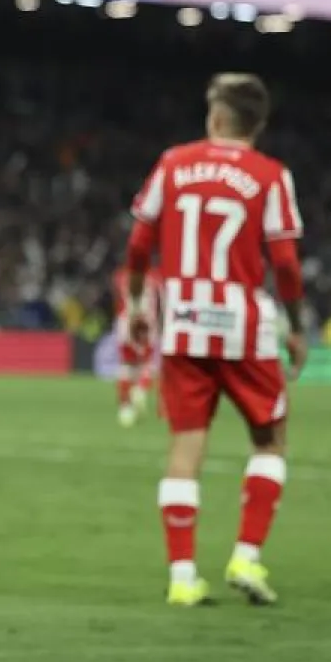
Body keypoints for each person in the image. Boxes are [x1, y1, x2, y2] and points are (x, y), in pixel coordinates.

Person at [125, 73, 305, 608]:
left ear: (216, 118)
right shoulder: (271, 176)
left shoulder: (173, 163)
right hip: (244, 326)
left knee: (186, 446)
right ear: (259, 125)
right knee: (269, 440)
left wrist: (137, 304)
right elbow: (288, 264)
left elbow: (139, 243)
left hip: (183, 323)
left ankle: (182, 576)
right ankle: (246, 556)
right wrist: (293, 324)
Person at [111, 262, 161, 427]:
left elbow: (117, 297)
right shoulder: (156, 276)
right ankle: (140, 388)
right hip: (147, 322)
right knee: (147, 363)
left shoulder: (121, 275)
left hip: (126, 321)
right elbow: (161, 301)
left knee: (126, 365)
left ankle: (125, 409)